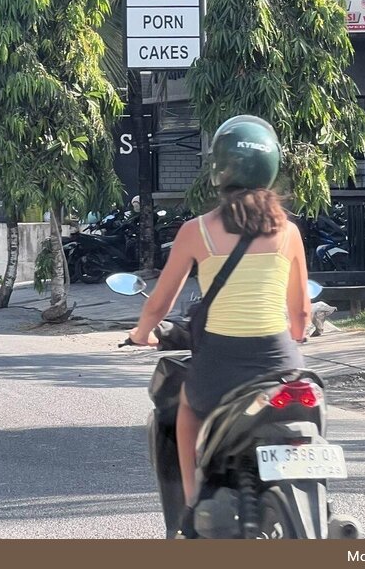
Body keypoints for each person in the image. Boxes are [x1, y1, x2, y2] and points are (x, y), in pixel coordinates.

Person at [128, 115, 311, 534]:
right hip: (281, 364)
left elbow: (161, 302)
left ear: (219, 170)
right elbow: (300, 314)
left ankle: (193, 507)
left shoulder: (197, 231)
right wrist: (297, 337)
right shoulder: (289, 232)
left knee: (188, 410)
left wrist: (141, 333)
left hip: (221, 365)